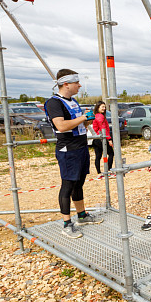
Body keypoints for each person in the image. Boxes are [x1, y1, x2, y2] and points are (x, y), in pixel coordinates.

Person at [44, 69, 103, 239]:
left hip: (81, 147)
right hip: (68, 150)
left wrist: (87, 120)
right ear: (66, 84)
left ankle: (82, 216)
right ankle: (66, 224)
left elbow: (79, 125)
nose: (80, 85)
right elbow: (61, 126)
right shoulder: (54, 103)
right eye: (77, 82)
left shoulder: (74, 101)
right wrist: (83, 118)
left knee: (79, 184)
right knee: (67, 186)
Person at [91, 100, 114, 176]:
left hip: (96, 138)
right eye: (102, 107)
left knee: (98, 156)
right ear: (98, 107)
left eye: (105, 107)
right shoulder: (100, 117)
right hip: (102, 138)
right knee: (111, 153)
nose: (104, 108)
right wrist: (109, 139)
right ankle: (108, 170)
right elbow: (103, 129)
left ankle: (99, 172)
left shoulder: (96, 116)